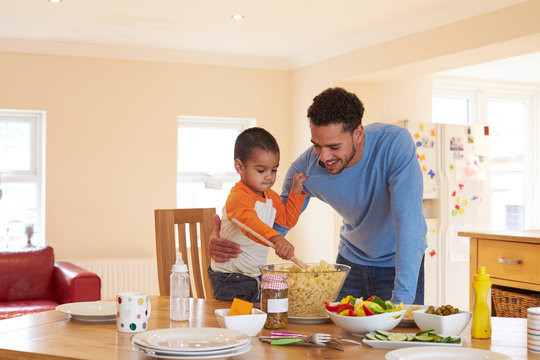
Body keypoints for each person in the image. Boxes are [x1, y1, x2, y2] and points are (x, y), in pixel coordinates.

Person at [209, 87, 427, 305]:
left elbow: (409, 223)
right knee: (341, 337)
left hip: (398, 264)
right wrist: (228, 239)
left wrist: (403, 304)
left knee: (398, 337)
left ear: (358, 134)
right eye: (317, 145)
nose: (324, 157)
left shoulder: (394, 145)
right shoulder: (304, 170)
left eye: (334, 146)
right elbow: (274, 226)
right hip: (350, 263)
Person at [208, 127, 308, 302]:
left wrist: (296, 191)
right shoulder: (238, 196)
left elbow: (287, 219)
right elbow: (249, 223)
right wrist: (277, 239)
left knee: (254, 319)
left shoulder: (271, 196)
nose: (269, 177)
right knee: (237, 322)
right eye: (261, 171)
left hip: (254, 275)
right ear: (240, 166)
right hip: (231, 277)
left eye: (274, 170)